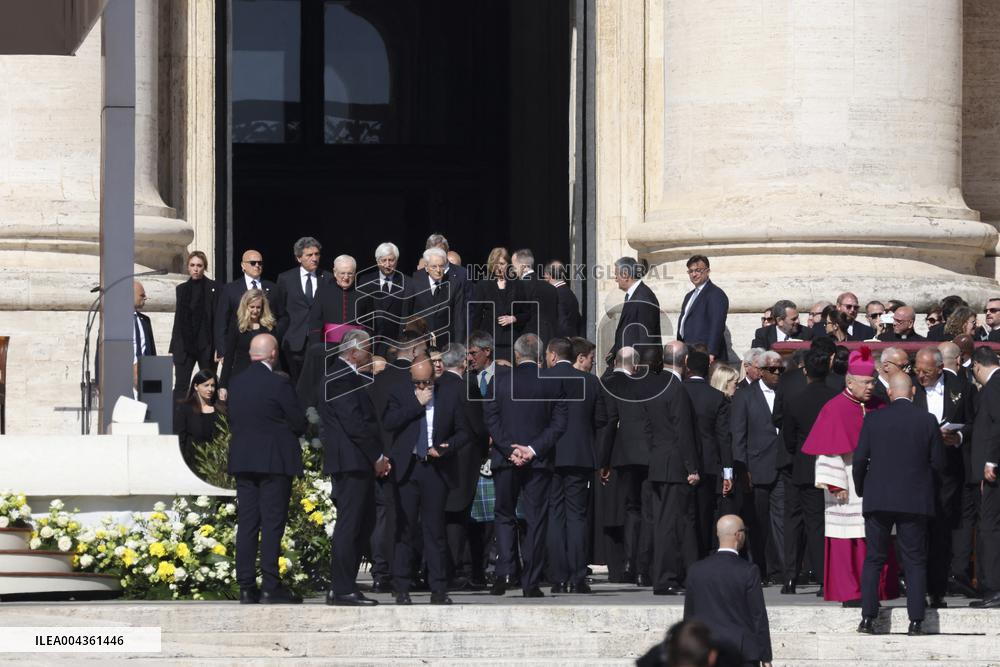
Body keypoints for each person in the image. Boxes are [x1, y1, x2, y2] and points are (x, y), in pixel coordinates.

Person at [801, 347, 898, 606]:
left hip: (878, 484)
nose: (870, 387)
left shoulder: (879, 405)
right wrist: (835, 484)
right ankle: (851, 591)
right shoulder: (834, 408)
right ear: (850, 381)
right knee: (849, 539)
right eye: (865, 382)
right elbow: (826, 450)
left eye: (873, 382)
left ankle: (879, 589)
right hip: (847, 484)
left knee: (877, 536)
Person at [854, 373, 944, 636]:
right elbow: (939, 463)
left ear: (890, 392)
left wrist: (862, 489)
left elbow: (859, 460)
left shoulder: (873, 419)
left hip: (878, 497)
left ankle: (868, 618)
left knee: (874, 558)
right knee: (914, 560)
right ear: (913, 392)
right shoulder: (927, 420)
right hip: (914, 498)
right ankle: (916, 621)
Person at [482, 333, 568, 597]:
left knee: (504, 514)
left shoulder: (500, 381)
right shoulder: (552, 382)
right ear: (540, 356)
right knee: (536, 519)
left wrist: (510, 449)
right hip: (538, 461)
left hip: (506, 458)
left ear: (517, 355)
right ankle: (530, 581)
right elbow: (559, 423)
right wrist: (532, 449)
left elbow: (491, 418)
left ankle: (505, 571)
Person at [382, 357, 470, 605]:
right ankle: (401, 586)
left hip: (435, 468)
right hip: (408, 467)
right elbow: (389, 422)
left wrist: (446, 447)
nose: (421, 387)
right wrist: (416, 404)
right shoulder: (400, 393)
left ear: (435, 377)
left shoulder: (449, 395)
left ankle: (439, 588)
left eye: (426, 382)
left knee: (435, 530)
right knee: (405, 528)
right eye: (417, 383)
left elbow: (464, 431)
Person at [227, 333, 306, 604]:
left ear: (252, 354)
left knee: (248, 523)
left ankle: (246, 585)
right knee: (272, 524)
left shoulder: (236, 383)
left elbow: (233, 418)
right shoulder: (278, 383)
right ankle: (271, 585)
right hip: (274, 462)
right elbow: (298, 422)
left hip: (244, 460)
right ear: (273, 354)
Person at [321, 329, 391, 606]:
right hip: (351, 462)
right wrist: (377, 456)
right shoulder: (340, 377)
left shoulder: (347, 376)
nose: (370, 355)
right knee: (351, 525)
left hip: (356, 461)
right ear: (353, 352)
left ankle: (343, 584)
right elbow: (354, 422)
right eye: (367, 350)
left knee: (361, 523)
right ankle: (341, 587)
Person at [543, 336, 607, 593]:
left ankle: (558, 577)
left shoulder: (544, 378)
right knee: (577, 516)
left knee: (555, 514)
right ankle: (577, 576)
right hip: (580, 454)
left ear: (553, 355)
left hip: (550, 453)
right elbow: (601, 419)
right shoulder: (590, 381)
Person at [911, 346, 973, 606]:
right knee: (917, 530)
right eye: (917, 370)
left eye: (926, 371)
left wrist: (957, 436)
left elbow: (974, 422)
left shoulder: (962, 388)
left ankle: (938, 587)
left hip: (948, 470)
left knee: (942, 529)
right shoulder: (910, 389)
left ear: (939, 368)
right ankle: (918, 586)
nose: (921, 375)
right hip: (916, 469)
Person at [642, 342, 700, 595]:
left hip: (659, 462)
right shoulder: (677, 389)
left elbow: (647, 427)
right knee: (671, 524)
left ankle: (669, 575)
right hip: (675, 465)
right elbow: (683, 431)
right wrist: (692, 467)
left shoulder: (654, 385)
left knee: (663, 522)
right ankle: (666, 578)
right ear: (685, 361)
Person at [779, 349, 838, 596]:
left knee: (794, 521)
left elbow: (789, 439)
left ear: (806, 371)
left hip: (801, 466)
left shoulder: (796, 400)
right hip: (830, 465)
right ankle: (824, 578)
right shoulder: (836, 399)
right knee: (817, 524)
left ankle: (790, 578)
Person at [684, 514, 773, 667]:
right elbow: (758, 616)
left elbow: (689, 617)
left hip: (706, 652)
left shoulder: (696, 570)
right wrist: (766, 657)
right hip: (741, 653)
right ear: (738, 535)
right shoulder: (748, 571)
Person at [601, 345, 657, 586]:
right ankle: (643, 568)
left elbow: (611, 422)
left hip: (625, 454)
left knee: (632, 509)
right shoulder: (649, 386)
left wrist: (604, 461)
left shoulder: (615, 385)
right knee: (647, 511)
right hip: (648, 454)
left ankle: (628, 563)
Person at [437, 343, 489, 589]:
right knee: (459, 516)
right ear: (462, 363)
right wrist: (485, 449)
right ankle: (455, 569)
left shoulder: (435, 384)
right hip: (464, 458)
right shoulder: (467, 386)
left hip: (439, 455)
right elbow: (478, 425)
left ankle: (441, 568)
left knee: (441, 513)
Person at [731, 350, 785, 584]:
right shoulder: (745, 396)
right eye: (773, 369)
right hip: (756, 468)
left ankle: (783, 570)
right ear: (761, 371)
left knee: (781, 521)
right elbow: (738, 436)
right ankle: (759, 569)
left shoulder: (785, 392)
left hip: (781, 466)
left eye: (781, 369)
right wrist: (742, 469)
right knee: (757, 522)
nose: (777, 373)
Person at [684, 349, 734, 557]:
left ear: (687, 367)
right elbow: (723, 437)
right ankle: (702, 555)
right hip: (708, 463)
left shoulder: (678, 390)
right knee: (704, 515)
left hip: (681, 462)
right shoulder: (716, 397)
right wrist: (728, 472)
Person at [274, 237, 331, 384]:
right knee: (296, 382)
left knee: (318, 381)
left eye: (317, 254)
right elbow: (279, 310)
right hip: (294, 340)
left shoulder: (327, 278)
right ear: (299, 258)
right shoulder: (286, 279)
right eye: (309, 255)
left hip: (320, 339)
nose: (314, 258)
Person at [970, 346, 1000, 608]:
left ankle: (993, 588)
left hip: (995, 473)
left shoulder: (993, 387)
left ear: (977, 366)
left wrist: (991, 460)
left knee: (990, 527)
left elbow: (998, 423)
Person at [169, 251, 217, 400]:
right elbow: (178, 320)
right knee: (181, 386)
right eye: (192, 265)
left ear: (204, 267)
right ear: (188, 267)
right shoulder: (181, 289)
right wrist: (174, 348)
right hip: (185, 346)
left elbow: (216, 319)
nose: (196, 269)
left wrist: (218, 348)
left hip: (206, 345)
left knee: (209, 384)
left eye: (199, 265)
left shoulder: (214, 288)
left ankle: (210, 413)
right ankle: (178, 414)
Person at [215, 249, 279, 362]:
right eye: (253, 263)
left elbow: (281, 316)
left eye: (260, 263)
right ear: (243, 265)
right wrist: (222, 351)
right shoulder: (230, 289)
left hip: (265, 348)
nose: (257, 265)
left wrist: (275, 338)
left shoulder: (273, 288)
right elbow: (221, 321)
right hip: (238, 349)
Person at [356, 242, 415, 358]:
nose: (387, 264)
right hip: (371, 342)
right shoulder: (365, 281)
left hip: (396, 343)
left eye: (391, 260)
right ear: (377, 261)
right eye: (384, 260)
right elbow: (361, 314)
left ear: (396, 260)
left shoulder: (407, 282)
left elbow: (408, 314)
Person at [470, 247, 526, 362]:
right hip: (489, 343)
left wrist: (514, 318)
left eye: (502, 263)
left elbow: (526, 312)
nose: (498, 267)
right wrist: (472, 341)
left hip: (511, 341)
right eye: (495, 264)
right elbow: (476, 315)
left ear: (508, 264)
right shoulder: (483, 285)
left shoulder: (517, 284)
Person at [219, 288, 276, 399]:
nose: (255, 310)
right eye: (252, 307)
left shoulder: (269, 327)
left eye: (258, 307)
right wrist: (223, 385)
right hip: (241, 376)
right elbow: (229, 357)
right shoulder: (237, 327)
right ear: (246, 307)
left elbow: (274, 356)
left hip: (263, 379)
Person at [606, 257, 661, 364]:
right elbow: (628, 330)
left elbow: (646, 337)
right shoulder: (633, 295)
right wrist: (614, 351)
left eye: (616, 275)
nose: (616, 279)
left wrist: (639, 365)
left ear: (625, 275)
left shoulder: (644, 297)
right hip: (626, 361)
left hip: (636, 365)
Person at [677, 255, 729, 362]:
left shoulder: (715, 294)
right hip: (689, 351)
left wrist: (711, 352)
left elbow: (717, 324)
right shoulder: (689, 296)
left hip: (705, 354)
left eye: (698, 270)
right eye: (691, 271)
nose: (694, 274)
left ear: (707, 271)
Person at [309, 254, 371, 346]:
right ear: (335, 272)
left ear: (355, 273)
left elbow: (370, 325)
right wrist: (316, 346)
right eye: (342, 273)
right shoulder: (322, 292)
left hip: (356, 347)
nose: (346, 277)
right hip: (327, 346)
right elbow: (315, 323)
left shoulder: (364, 293)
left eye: (350, 273)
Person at [411, 247, 466, 349]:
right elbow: (408, 313)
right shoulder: (415, 282)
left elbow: (459, 317)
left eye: (441, 266)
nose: (438, 270)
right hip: (420, 341)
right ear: (426, 267)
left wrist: (459, 346)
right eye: (434, 266)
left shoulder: (454, 284)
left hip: (446, 342)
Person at [174, 369, 224, 471]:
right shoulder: (185, 409)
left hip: (215, 466)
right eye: (206, 385)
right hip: (192, 464)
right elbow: (180, 439)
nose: (210, 389)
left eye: (213, 385)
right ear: (196, 386)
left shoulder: (220, 410)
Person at [512, 248, 560, 345]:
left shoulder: (519, 286)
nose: (513, 270)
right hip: (549, 339)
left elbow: (518, 313)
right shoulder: (551, 288)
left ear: (523, 266)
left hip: (528, 341)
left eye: (513, 266)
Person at [544, 260, 582, 338]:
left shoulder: (556, 294)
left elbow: (562, 322)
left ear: (548, 276)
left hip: (562, 340)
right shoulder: (568, 292)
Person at [133, 280, 156, 361]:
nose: (145, 298)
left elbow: (152, 351)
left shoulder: (145, 320)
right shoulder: (115, 322)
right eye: (142, 295)